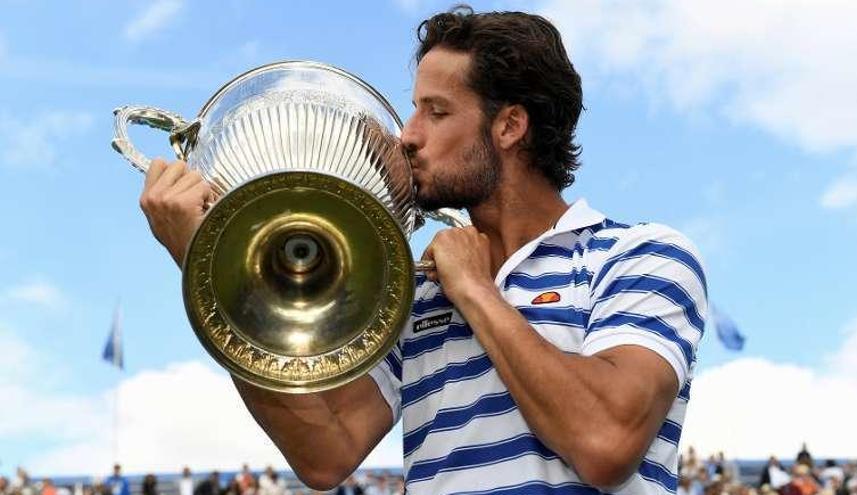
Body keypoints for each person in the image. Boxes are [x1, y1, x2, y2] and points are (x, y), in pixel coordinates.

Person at [138, 5, 707, 493]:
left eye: (436, 112)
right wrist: (203, 260)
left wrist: (477, 292)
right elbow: (326, 452)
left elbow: (606, 442)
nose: (409, 134)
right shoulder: (418, 288)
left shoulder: (640, 254)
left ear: (508, 127)